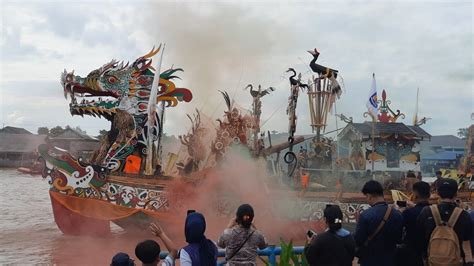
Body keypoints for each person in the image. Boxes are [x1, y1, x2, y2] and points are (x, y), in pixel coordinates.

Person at [416, 178, 473, 264]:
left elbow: (419, 239)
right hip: (456, 261)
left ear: (438, 193)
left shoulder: (427, 212)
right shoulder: (464, 215)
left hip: (432, 261)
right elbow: (468, 241)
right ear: (456, 194)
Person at [354, 180, 403, 266]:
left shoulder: (365, 215)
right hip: (390, 260)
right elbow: (399, 239)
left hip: (370, 260)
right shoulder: (397, 215)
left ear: (369, 196)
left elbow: (358, 239)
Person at [397, 181, 430, 266]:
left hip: (412, 255)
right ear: (429, 194)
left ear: (415, 194)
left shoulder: (408, 213)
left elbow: (399, 232)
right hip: (432, 252)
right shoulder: (436, 211)